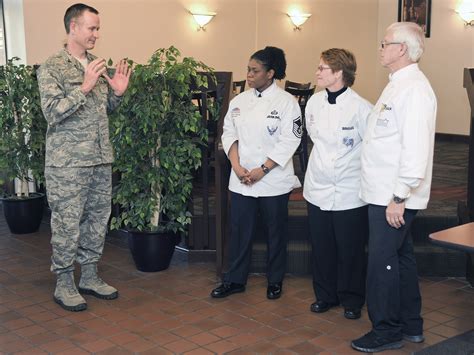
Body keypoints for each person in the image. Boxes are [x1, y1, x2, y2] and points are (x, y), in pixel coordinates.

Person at [37, 3, 131, 312]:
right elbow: (52, 113)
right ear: (73, 28)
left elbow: (104, 111)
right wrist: (85, 87)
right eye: (91, 28)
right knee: (67, 224)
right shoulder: (52, 67)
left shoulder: (98, 65)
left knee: (97, 221)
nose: (96, 34)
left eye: (97, 28)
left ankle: (89, 276)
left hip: (100, 158)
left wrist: (117, 93)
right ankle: (64, 282)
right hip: (67, 163)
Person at [351, 22, 436, 352]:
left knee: (382, 263)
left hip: (394, 195)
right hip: (384, 192)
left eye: (385, 43)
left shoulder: (414, 89)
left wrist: (399, 196)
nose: (380, 48)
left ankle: (386, 330)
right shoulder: (398, 85)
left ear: (402, 49)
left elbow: (416, 150)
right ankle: (411, 325)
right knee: (400, 259)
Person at [211, 46, 301, 300]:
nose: (249, 75)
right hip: (241, 179)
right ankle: (235, 280)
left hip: (273, 179)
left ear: (270, 73)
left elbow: (290, 140)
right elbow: (229, 134)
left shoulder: (287, 103)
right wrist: (238, 167)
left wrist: (262, 170)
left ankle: (275, 280)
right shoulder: (239, 101)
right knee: (239, 232)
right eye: (248, 69)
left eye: (255, 70)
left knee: (275, 232)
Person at [303, 48, 372, 320]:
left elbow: (370, 149)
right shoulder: (313, 103)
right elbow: (313, 137)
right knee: (321, 247)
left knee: (351, 249)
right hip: (317, 186)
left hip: (349, 190)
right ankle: (325, 295)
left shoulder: (362, 108)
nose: (317, 72)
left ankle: (352, 298)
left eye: (322, 68)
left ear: (339, 73)